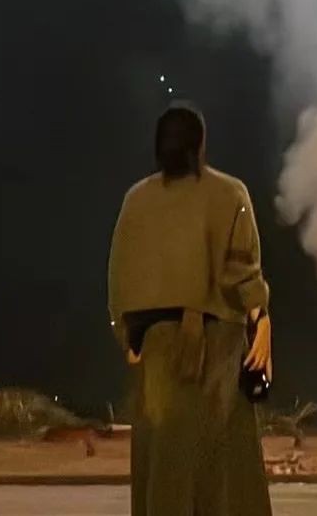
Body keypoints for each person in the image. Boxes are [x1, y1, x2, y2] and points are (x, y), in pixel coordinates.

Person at [108, 104, 272, 516]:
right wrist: (261, 319)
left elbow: (121, 273)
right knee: (223, 465)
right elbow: (242, 269)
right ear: (200, 145)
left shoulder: (136, 200)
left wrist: (125, 334)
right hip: (218, 347)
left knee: (165, 463)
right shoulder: (230, 193)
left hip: (158, 347)